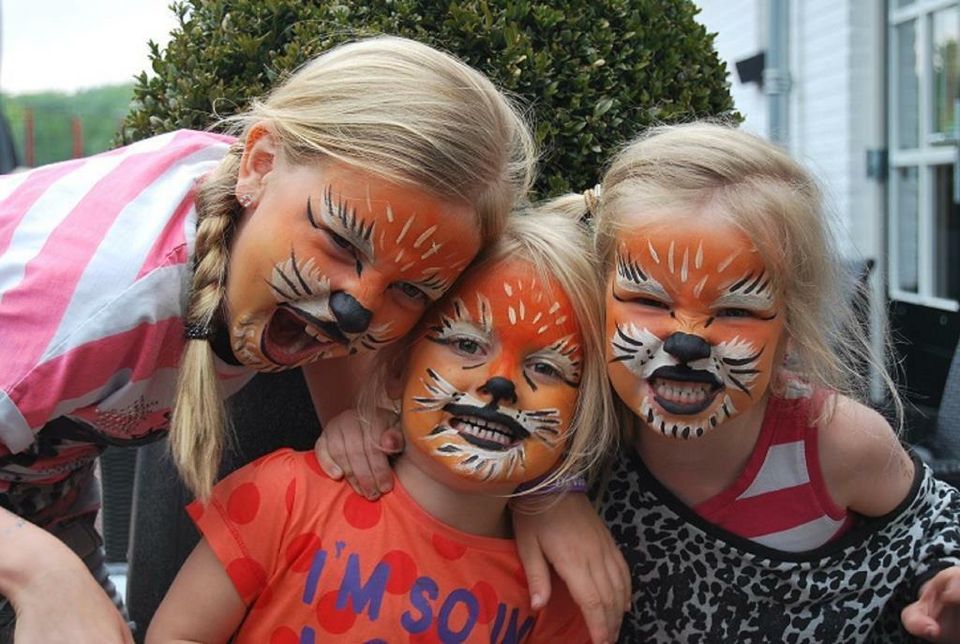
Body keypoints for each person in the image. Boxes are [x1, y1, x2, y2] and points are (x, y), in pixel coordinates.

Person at [0, 35, 536, 643]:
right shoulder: (96, 302)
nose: (357, 310)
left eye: (409, 290)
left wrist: (348, 415)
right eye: (340, 243)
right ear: (258, 164)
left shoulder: (271, 213)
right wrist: (41, 574)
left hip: (47, 499)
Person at [146, 208, 616, 643]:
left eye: (547, 368)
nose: (501, 384)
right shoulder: (284, 495)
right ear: (395, 372)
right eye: (467, 345)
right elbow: (178, 635)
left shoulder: (557, 588)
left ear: (581, 415)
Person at [582, 121, 960, 642]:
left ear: (791, 330)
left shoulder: (836, 443)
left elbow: (935, 525)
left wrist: (946, 577)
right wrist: (548, 506)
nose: (687, 342)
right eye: (648, 301)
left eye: (737, 308)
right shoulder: (578, 440)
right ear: (593, 301)